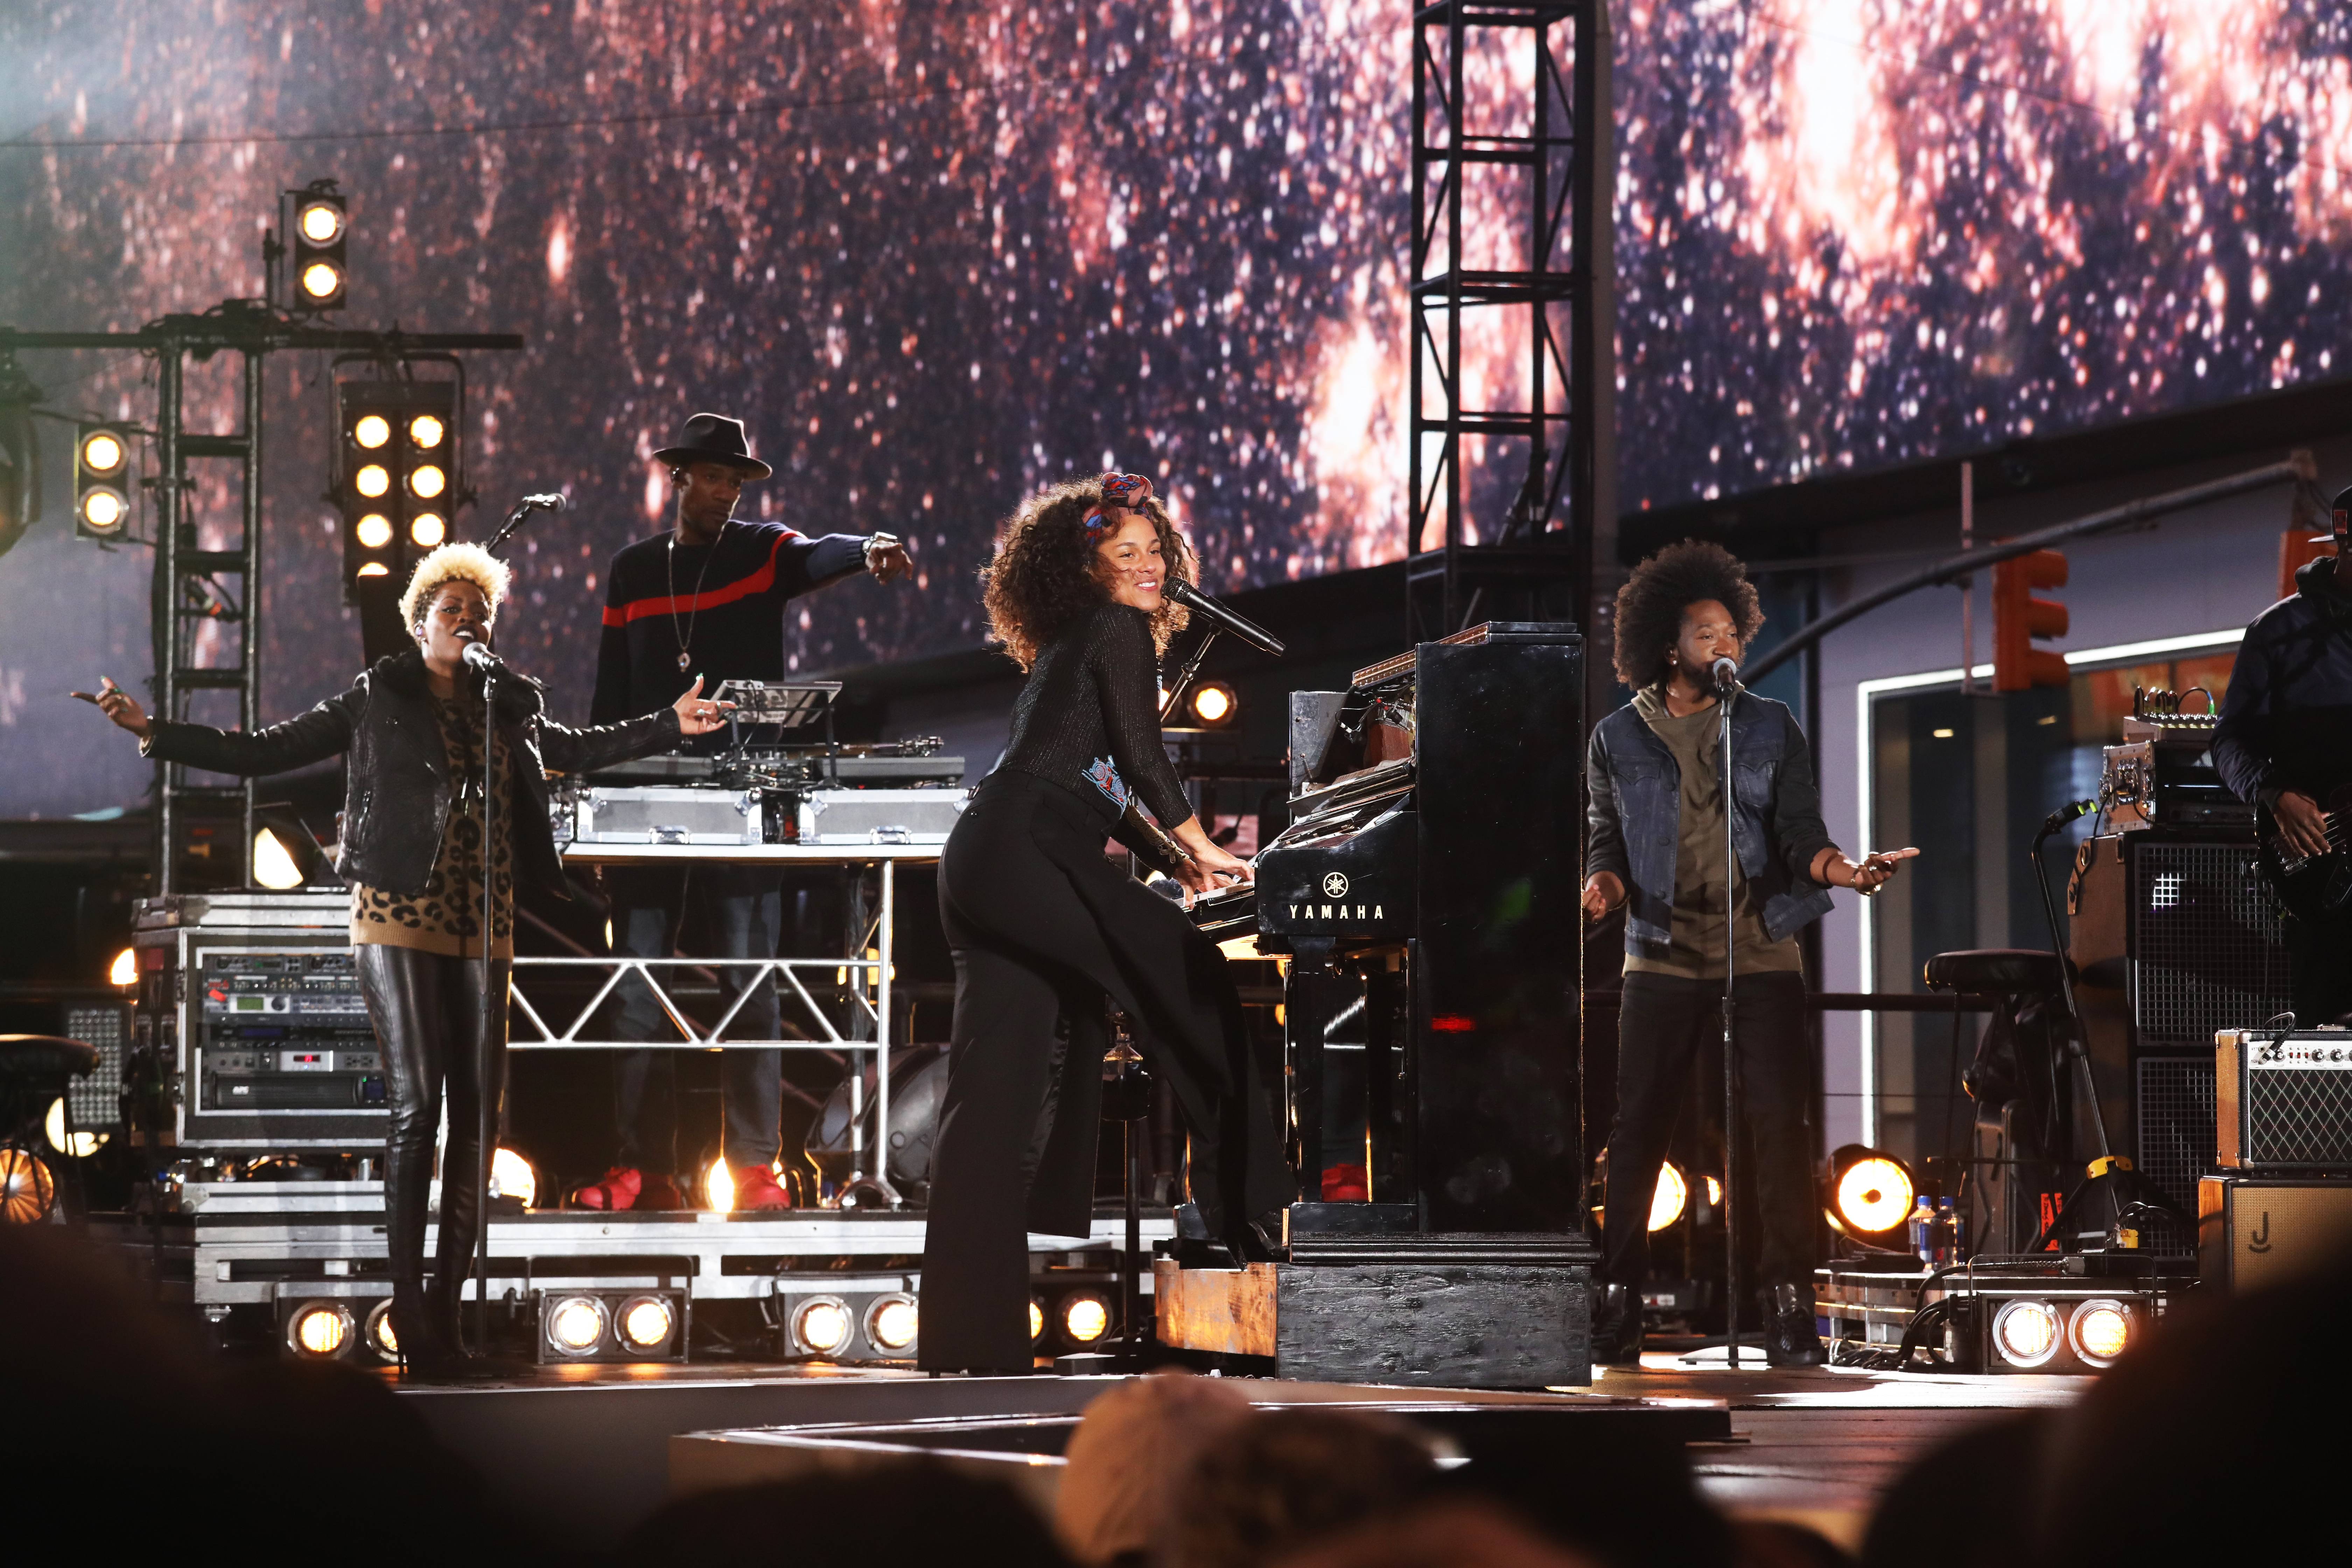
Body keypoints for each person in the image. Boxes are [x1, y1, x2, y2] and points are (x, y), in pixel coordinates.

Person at [77, 543, 727, 1374]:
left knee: (479, 1121)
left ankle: (448, 1322)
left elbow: (574, 747)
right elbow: (265, 750)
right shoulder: (377, 694)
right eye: (452, 609)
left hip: (483, 919)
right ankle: (411, 1313)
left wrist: (668, 722)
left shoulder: (506, 704)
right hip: (397, 911)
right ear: (421, 622)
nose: (469, 620)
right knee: (420, 1107)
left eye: (479, 610)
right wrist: (153, 729)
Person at [916, 471, 1290, 1372]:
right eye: (1125, 556)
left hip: (981, 860)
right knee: (1196, 984)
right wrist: (1200, 840)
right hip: (1030, 850)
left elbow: (1095, 779)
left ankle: (970, 1342)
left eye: (1155, 551)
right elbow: (1140, 757)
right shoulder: (1117, 630)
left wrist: (1177, 861)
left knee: (990, 1110)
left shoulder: (1062, 648)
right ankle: (1253, 1222)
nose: (1149, 566)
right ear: (1086, 572)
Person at [1581, 540, 1917, 1367]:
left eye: (1732, 631)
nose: (1724, 645)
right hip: (1659, 957)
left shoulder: (1768, 724)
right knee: (1638, 1132)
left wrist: (1849, 870)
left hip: (1761, 952)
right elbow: (1606, 839)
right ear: (1668, 645)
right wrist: (1604, 884)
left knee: (1779, 1130)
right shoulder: (1618, 736)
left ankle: (1788, 1304)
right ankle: (1618, 1298)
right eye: (1706, 633)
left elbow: (1800, 833)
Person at [581, 412, 913, 1212]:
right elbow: (609, 693)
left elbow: (813, 554)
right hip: (647, 794)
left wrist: (866, 548)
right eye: (716, 477)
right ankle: (642, 1168)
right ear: (680, 478)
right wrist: (595, 793)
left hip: (744, 793)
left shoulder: (761, 549)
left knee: (752, 980)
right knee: (635, 986)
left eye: (738, 480)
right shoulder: (634, 570)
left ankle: (756, 1167)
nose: (729, 492)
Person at [2212, 482, 2352, 1027]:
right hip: (2324, 871)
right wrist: (2274, 794)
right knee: (2326, 1034)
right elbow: (2228, 741)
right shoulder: (2278, 634)